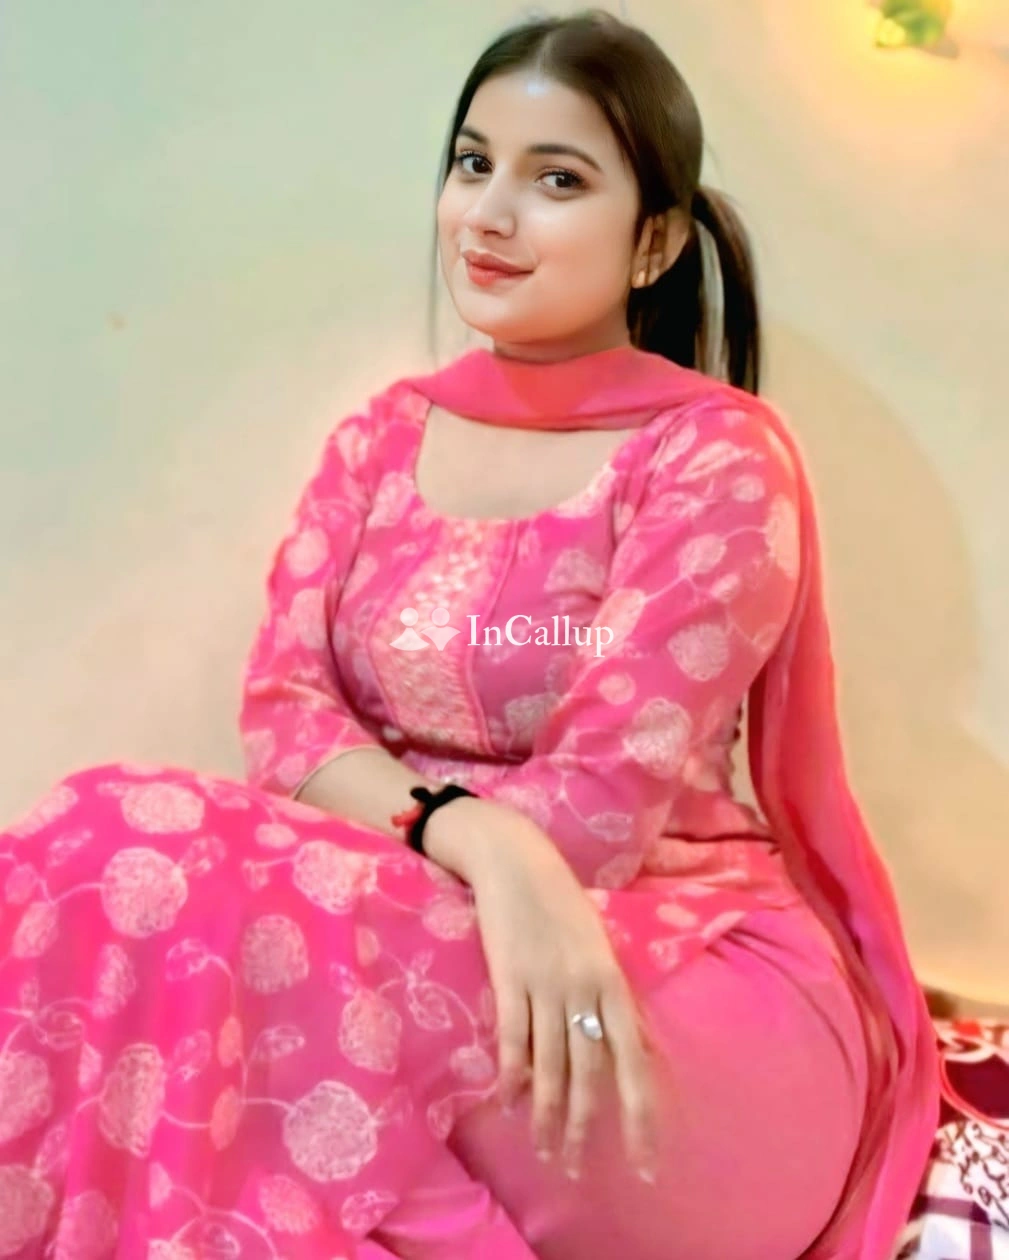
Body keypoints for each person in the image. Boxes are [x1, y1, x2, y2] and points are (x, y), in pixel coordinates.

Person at [0, 9, 939, 1259]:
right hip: (420, 929)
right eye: (472, 163)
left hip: (650, 989)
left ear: (655, 242)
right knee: (103, 848)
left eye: (557, 180)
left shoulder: (709, 459)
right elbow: (284, 713)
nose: (489, 214)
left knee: (154, 872)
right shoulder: (383, 436)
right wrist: (474, 836)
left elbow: (595, 817)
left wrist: (476, 846)